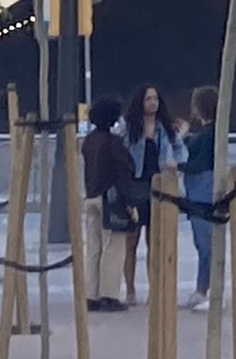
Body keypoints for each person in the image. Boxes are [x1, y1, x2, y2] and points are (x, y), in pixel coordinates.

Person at [115, 82, 185, 304]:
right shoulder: (128, 128)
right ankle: (130, 290)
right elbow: (119, 151)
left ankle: (154, 288)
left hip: (159, 187)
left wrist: (174, 163)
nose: (153, 103)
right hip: (135, 187)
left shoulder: (165, 128)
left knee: (155, 243)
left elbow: (181, 152)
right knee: (131, 243)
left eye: (155, 98)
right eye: (148, 99)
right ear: (140, 102)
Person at [80, 97, 137, 313]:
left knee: (93, 248)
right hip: (110, 199)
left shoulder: (89, 141)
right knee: (113, 247)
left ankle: (90, 294)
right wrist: (129, 203)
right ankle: (109, 294)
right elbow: (123, 172)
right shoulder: (113, 143)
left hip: (91, 196)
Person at [179, 87, 220, 313]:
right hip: (200, 190)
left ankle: (204, 290)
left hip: (200, 192)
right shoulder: (209, 132)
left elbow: (197, 162)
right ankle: (205, 288)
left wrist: (178, 165)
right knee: (205, 243)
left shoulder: (206, 134)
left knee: (204, 244)